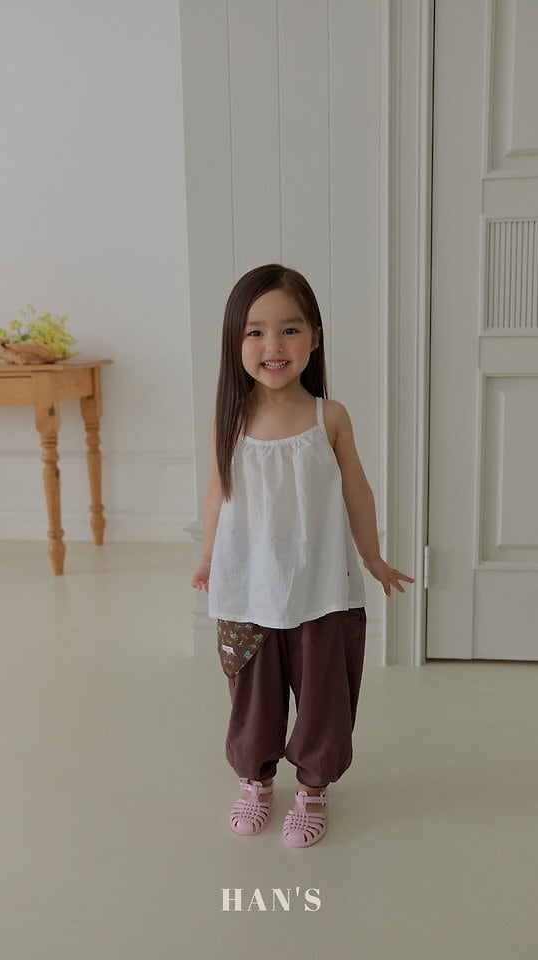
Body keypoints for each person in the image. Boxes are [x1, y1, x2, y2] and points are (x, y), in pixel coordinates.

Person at [191, 264, 413, 848]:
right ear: (235, 341)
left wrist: (373, 557)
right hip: (248, 589)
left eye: (289, 329)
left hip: (322, 587)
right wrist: (209, 556)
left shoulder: (328, 417)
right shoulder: (229, 421)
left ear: (314, 338)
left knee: (323, 695)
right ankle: (255, 780)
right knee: (252, 695)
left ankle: (313, 789)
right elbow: (217, 494)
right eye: (255, 331)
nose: (273, 345)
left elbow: (357, 490)